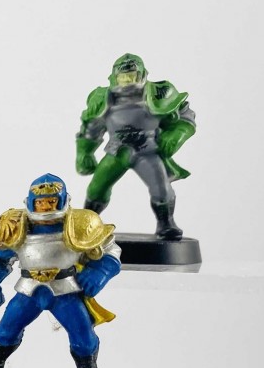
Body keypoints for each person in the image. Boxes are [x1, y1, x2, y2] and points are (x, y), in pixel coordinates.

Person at [0, 174, 121, 368]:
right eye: (40, 202)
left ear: (63, 200)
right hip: (29, 290)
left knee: (82, 333)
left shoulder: (80, 224)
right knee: (7, 329)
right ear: (30, 202)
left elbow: (110, 250)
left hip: (65, 290)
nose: (45, 207)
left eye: (51, 201)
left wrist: (99, 272)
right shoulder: (16, 225)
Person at [76, 53, 196, 239]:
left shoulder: (158, 94)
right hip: (116, 151)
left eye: (131, 76)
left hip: (146, 151)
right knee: (96, 187)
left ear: (142, 75)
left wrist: (176, 134)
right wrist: (85, 152)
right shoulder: (102, 98)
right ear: (114, 77)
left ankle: (166, 223)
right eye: (123, 77)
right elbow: (92, 127)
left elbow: (184, 115)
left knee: (161, 188)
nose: (127, 81)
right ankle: (86, 225)